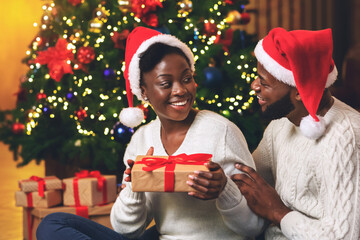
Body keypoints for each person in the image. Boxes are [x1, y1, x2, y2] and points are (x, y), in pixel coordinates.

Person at [36, 26, 264, 240]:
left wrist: (224, 189)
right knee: (52, 224)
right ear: (143, 91)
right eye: (166, 83)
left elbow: (254, 227)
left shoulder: (221, 132)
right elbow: (127, 230)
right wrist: (136, 187)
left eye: (187, 79)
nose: (180, 90)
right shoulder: (142, 140)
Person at [231, 27, 360, 240]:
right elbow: (250, 178)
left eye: (264, 82)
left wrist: (278, 212)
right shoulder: (281, 123)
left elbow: (344, 236)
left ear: (299, 91)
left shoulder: (347, 138)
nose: (254, 86)